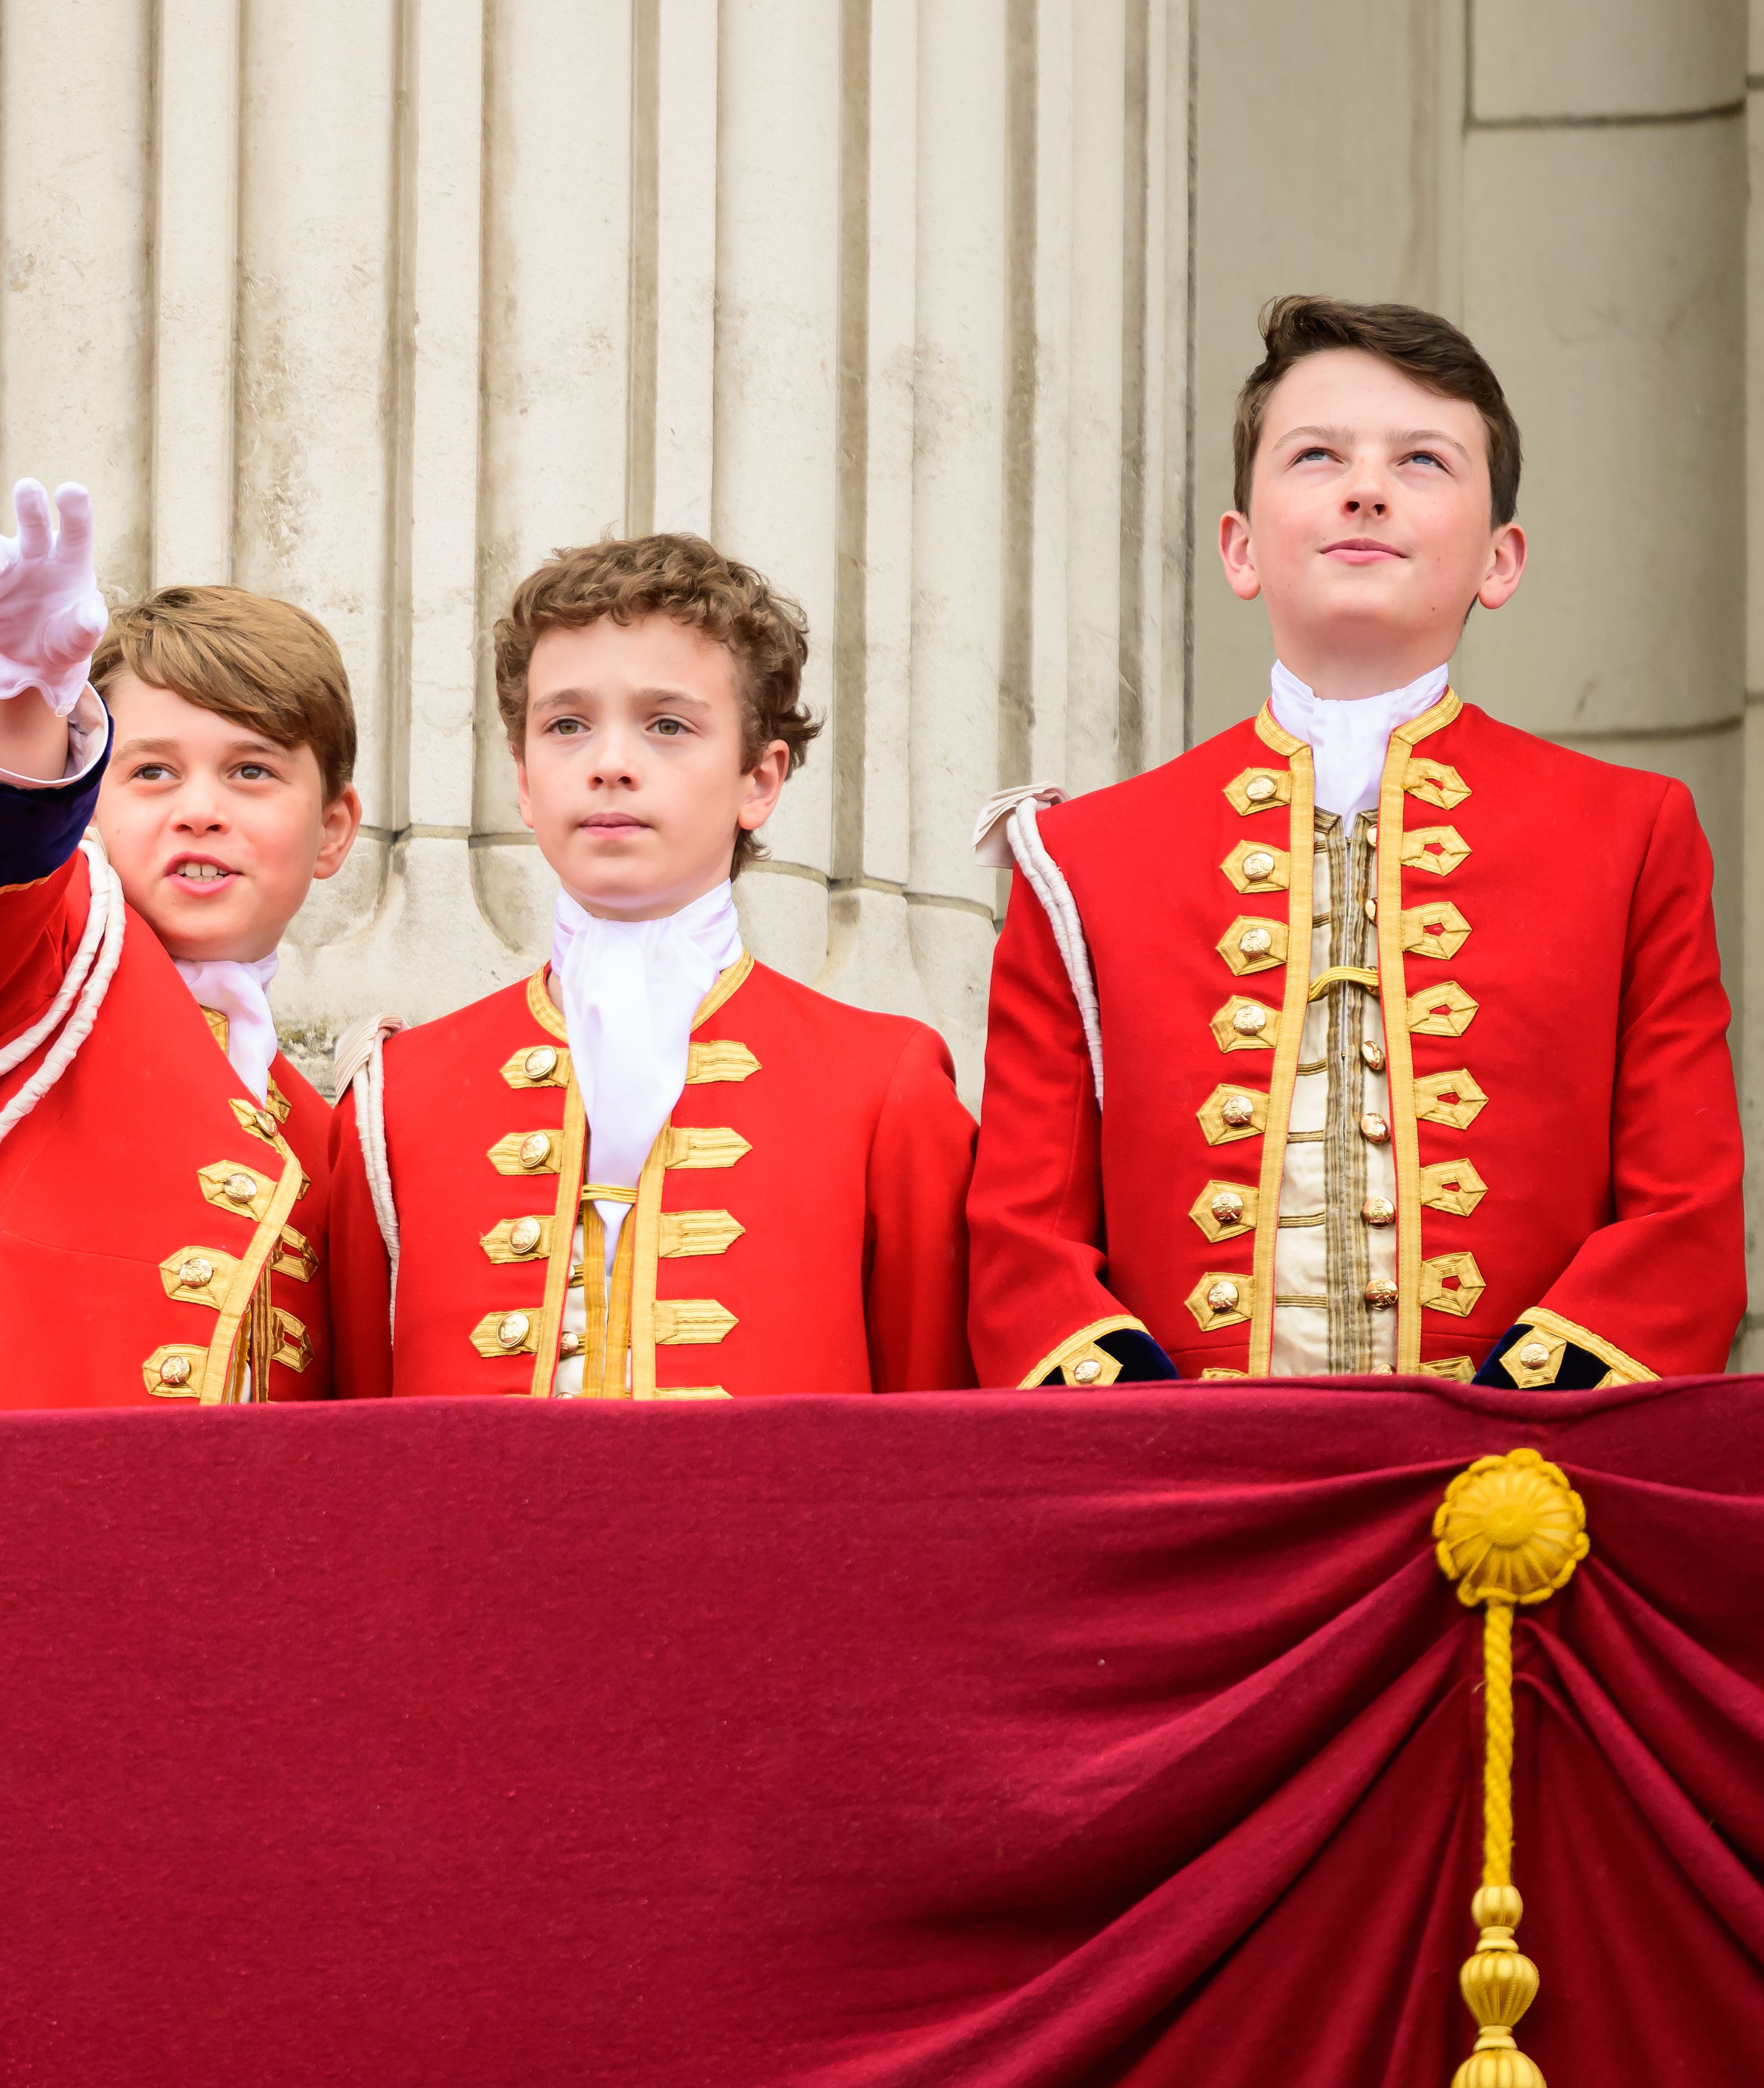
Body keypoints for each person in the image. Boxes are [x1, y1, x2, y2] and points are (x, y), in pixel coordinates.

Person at [970, 296, 1742, 1389]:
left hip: (1515, 1487)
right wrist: (1148, 1434)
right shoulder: (1080, 860)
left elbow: (1684, 1219)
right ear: (1237, 549)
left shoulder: (1630, 834)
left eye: (1423, 460)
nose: (1365, 486)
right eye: (1315, 454)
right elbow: (1020, 1244)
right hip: (1183, 1493)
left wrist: (1510, 1431)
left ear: (1499, 560)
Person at [328, 535, 973, 1401]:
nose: (609, 763)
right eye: (565, 726)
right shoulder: (394, 1098)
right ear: (523, 779)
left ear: (759, 781)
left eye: (667, 725)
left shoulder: (881, 1084)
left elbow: (930, 1437)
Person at [0, 483, 358, 1411]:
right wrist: (14, 705)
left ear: (333, 830)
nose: (199, 810)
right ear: (87, 802)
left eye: (251, 771)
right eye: (149, 772)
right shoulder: (33, 965)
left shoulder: (323, 1135)